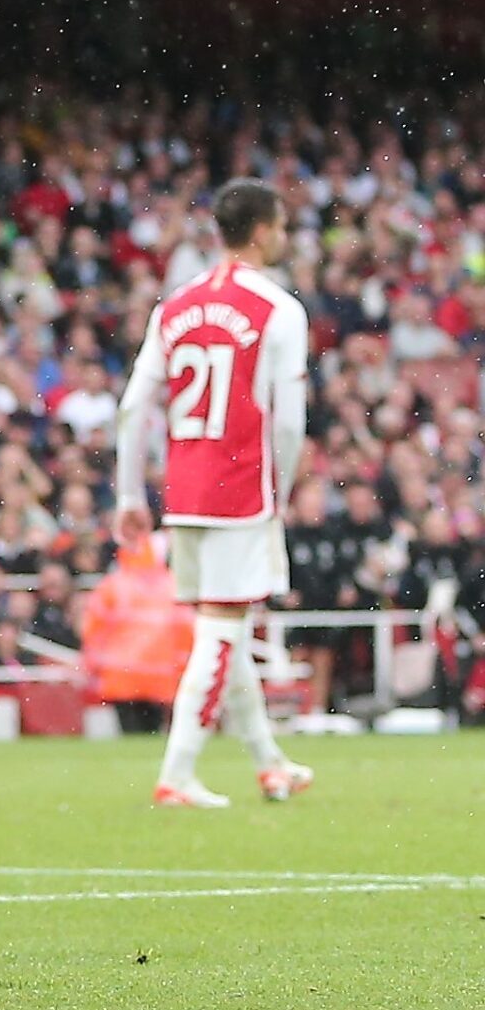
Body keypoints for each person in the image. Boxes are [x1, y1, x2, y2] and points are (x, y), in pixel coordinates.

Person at [114, 179, 315, 807]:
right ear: (261, 230)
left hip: (185, 490)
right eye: (280, 226)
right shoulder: (278, 309)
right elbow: (287, 419)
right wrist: (278, 486)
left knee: (223, 626)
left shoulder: (174, 306)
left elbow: (131, 408)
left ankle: (269, 763)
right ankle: (177, 772)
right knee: (221, 633)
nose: (284, 236)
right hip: (240, 489)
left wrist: (127, 495)